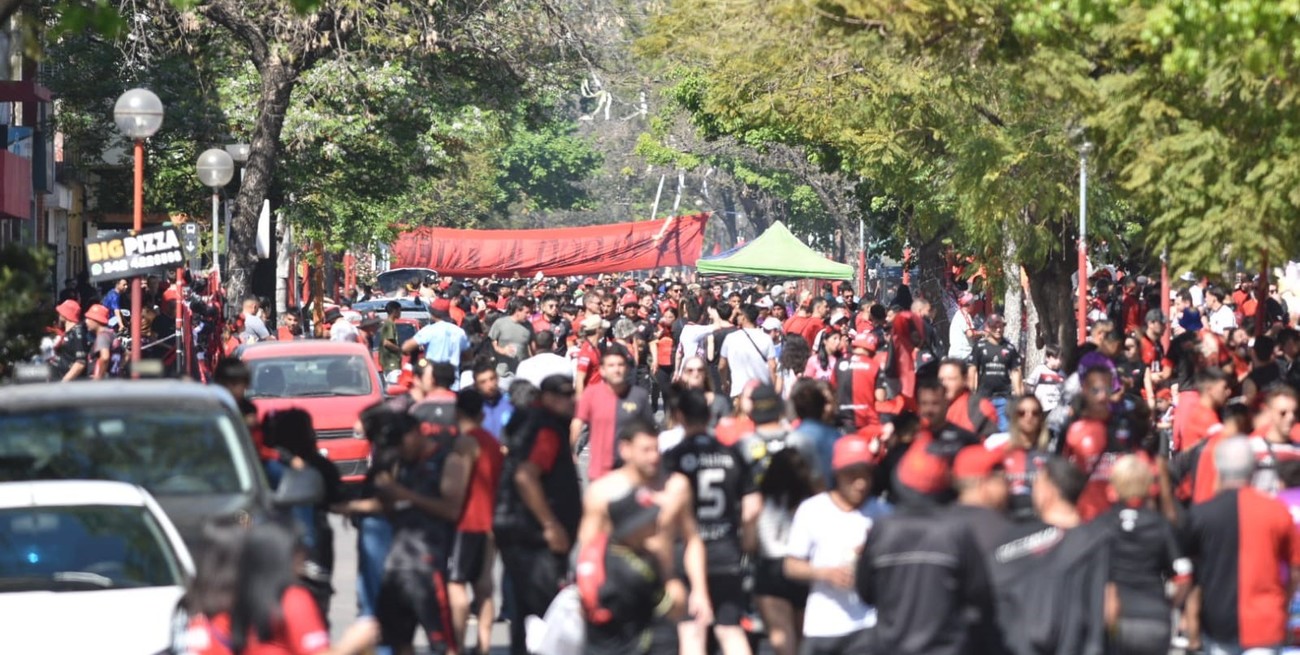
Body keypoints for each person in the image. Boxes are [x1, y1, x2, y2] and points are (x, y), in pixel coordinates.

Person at [576, 419, 710, 654]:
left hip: (664, 588)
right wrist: (587, 595)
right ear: (625, 450)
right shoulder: (603, 492)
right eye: (645, 450)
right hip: (618, 596)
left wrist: (699, 589)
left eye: (656, 449)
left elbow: (692, 539)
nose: (653, 457)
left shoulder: (676, 487)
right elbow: (588, 548)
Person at [857, 444, 1002, 655]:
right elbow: (978, 596)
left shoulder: (882, 529)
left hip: (891, 647)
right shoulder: (956, 531)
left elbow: (865, 593)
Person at [662, 387, 761, 655]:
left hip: (686, 553)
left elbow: (666, 511)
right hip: (726, 551)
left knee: (692, 631)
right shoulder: (732, 455)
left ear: (679, 416)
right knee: (730, 630)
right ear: (709, 416)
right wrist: (747, 544)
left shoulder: (674, 458)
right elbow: (752, 507)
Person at [375, 395, 475, 655]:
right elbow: (391, 506)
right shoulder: (401, 463)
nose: (399, 448)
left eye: (402, 441)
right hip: (397, 566)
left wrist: (403, 494)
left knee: (443, 645)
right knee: (398, 641)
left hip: (428, 567)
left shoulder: (447, 460)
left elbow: (451, 510)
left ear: (417, 433)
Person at [1186, 436, 1300, 654]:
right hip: (1266, 623)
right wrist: (1282, 607)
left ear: (1218, 468)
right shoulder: (1277, 511)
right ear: (1254, 468)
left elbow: (1193, 576)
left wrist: (1191, 623)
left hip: (1217, 624)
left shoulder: (1201, 515)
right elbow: (1294, 570)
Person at [494, 374, 582, 655]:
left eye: (572, 394)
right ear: (547, 398)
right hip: (536, 541)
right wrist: (550, 525)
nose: (571, 400)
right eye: (565, 394)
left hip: (521, 534)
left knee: (525, 616)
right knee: (546, 616)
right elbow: (526, 476)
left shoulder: (532, 422)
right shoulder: (545, 429)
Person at [988, 458, 1111, 655]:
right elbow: (1109, 609)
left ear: (1049, 491)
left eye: (1036, 484)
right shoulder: (1097, 539)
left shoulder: (1012, 542)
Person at [784, 435, 889, 655]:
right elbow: (791, 566)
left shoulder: (883, 513)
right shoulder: (813, 510)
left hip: (867, 626)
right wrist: (826, 573)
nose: (861, 483)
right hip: (823, 627)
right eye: (853, 475)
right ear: (837, 474)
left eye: (866, 474)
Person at [229, 522, 379, 655]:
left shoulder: (236, 597)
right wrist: (352, 643)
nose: (305, 553)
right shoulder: (293, 599)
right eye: (298, 548)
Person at [1102, 454, 1192, 655]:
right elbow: (1184, 577)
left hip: (1115, 620)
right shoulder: (1161, 526)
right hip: (1154, 620)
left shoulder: (1102, 526)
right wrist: (1169, 605)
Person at [581, 488, 681, 655]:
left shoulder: (602, 550)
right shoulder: (637, 571)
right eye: (648, 520)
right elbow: (674, 607)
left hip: (596, 646)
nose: (655, 522)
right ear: (632, 528)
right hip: (630, 647)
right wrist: (670, 575)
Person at [448, 389, 506, 655]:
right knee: (484, 587)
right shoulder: (492, 443)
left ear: (457, 413)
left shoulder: (465, 443)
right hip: (490, 522)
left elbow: (456, 491)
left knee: (456, 585)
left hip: (467, 523)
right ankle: (483, 644)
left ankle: (457, 645)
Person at [754, 448, 817, 655]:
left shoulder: (761, 498)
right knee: (803, 637)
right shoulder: (811, 502)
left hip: (771, 567)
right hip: (803, 567)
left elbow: (752, 539)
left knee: (782, 636)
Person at [572, 349, 655, 482]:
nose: (616, 370)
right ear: (602, 370)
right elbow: (577, 423)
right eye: (611, 365)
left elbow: (649, 431)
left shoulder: (639, 396)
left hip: (630, 472)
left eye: (620, 365)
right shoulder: (591, 394)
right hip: (600, 471)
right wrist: (571, 450)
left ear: (627, 369)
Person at [967, 314, 1022, 432]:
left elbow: (1016, 372)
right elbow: (973, 370)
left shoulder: (1010, 348)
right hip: (984, 397)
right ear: (988, 327)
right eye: (994, 326)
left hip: (1004, 397)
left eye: (1001, 326)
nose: (998, 329)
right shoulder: (980, 347)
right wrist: (971, 393)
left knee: (1005, 431)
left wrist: (1019, 396)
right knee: (983, 430)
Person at [402, 298, 471, 390]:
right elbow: (468, 356)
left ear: (433, 314)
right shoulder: (459, 332)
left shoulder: (429, 330)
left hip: (432, 380)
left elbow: (406, 347)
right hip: (453, 381)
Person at [718, 304, 777, 398]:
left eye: (738, 315)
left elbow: (722, 366)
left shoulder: (731, 338)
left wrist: (724, 383)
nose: (736, 318)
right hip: (762, 391)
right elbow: (772, 366)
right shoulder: (766, 338)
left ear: (744, 318)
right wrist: (773, 391)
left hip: (740, 391)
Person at [832, 331, 883, 432]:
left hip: (842, 420)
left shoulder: (839, 364)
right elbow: (880, 397)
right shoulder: (874, 366)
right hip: (867, 422)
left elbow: (832, 390)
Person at [490, 298, 535, 377]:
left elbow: (532, 347)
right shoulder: (500, 323)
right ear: (517, 311)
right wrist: (502, 350)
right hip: (502, 373)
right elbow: (491, 343)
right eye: (526, 312)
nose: (529, 315)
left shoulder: (529, 326)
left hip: (522, 373)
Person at [52, 298, 88, 381]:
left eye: (61, 312)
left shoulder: (78, 333)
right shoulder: (68, 332)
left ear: (66, 314)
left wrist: (64, 382)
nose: (59, 314)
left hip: (68, 387)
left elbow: (80, 363)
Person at [575, 314, 609, 395]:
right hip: (591, 395)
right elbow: (579, 379)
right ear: (598, 330)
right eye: (602, 328)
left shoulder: (596, 348)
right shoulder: (586, 352)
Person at [84, 303, 116, 379]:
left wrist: (98, 378)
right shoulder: (112, 334)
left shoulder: (102, 336)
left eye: (89, 318)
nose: (86, 321)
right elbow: (127, 354)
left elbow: (105, 357)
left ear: (97, 320)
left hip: (102, 385)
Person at [379, 301, 404, 378]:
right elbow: (386, 342)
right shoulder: (389, 324)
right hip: (392, 363)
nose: (400, 313)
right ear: (394, 311)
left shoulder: (387, 323)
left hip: (388, 364)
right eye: (399, 310)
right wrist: (400, 350)